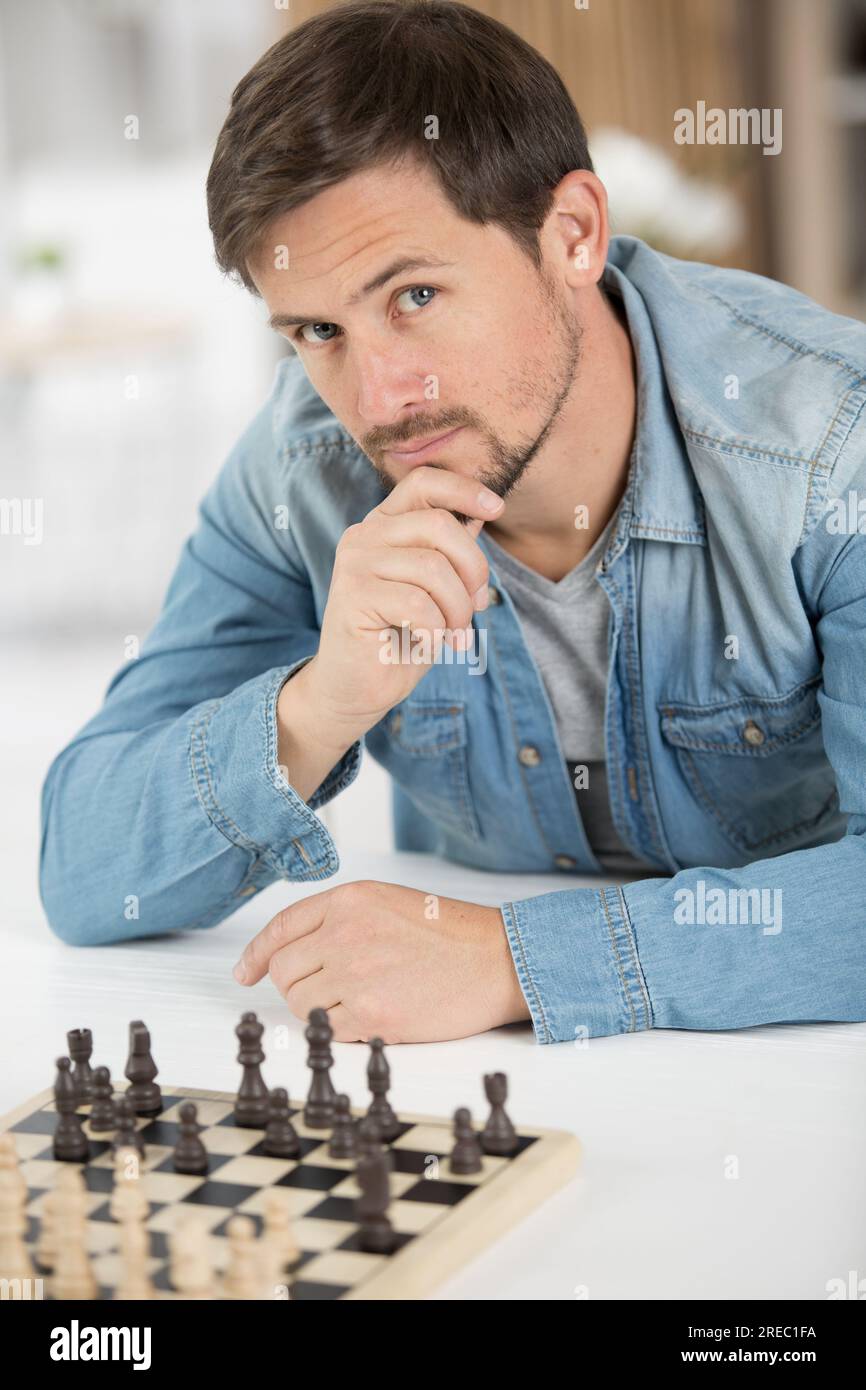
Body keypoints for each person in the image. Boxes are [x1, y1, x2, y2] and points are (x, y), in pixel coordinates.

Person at [40, 2, 866, 1045]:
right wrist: (315, 706)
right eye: (318, 330)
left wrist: (514, 960)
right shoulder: (301, 473)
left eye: (416, 294)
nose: (379, 399)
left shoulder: (834, 444)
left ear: (571, 234)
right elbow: (80, 868)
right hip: (494, 1096)